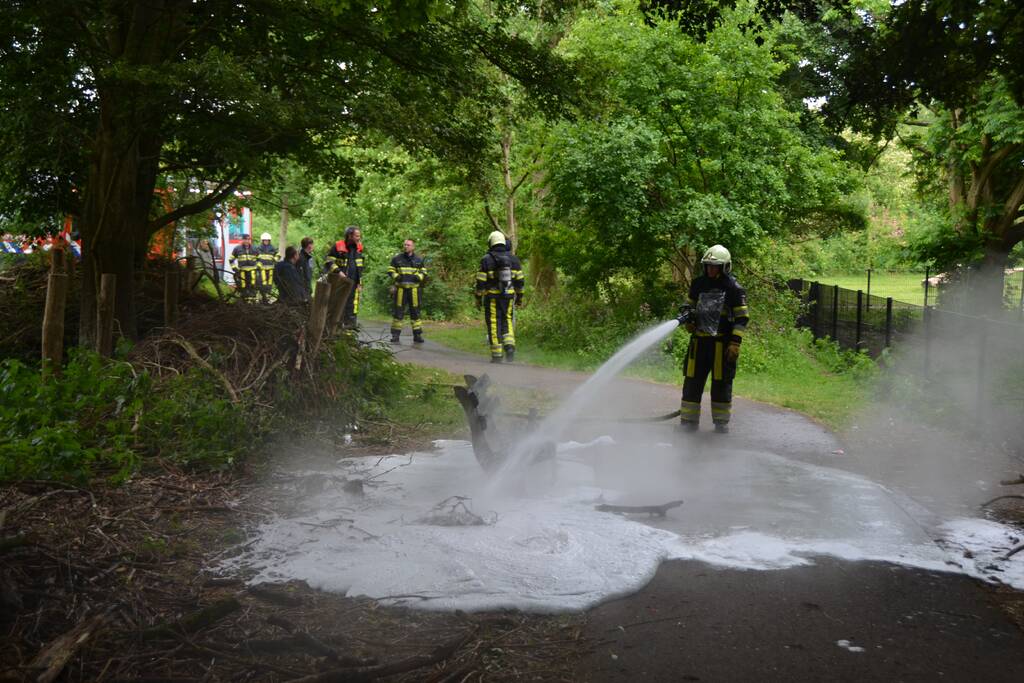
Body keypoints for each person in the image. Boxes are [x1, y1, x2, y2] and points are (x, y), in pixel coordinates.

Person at [679, 244, 749, 434]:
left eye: (715, 266)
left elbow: (742, 318)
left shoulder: (734, 288)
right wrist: (688, 320)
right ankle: (688, 420)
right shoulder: (698, 284)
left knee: (721, 383)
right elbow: (689, 307)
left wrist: (735, 343)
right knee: (692, 382)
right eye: (708, 265)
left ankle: (720, 422)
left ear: (725, 267)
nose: (710, 269)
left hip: (721, 345)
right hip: (699, 343)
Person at [475, 230, 525, 362]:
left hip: (492, 297)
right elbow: (520, 280)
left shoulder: (487, 259)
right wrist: (519, 298)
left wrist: (478, 298)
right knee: (507, 320)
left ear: (491, 242)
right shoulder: (514, 259)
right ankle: (509, 347)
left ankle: (497, 355)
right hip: (508, 295)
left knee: (493, 322)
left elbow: (481, 281)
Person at [387, 238, 427, 344]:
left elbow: (424, 271)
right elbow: (390, 270)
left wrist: (419, 277)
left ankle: (417, 335)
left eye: (408, 245)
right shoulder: (397, 259)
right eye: (405, 245)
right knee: (398, 312)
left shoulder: (419, 259)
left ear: (413, 247)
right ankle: (395, 335)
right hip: (400, 290)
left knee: (415, 312)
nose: (406, 246)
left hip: (414, 290)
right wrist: (397, 277)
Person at [324, 226, 365, 327]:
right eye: (356, 236)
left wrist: (360, 282)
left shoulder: (359, 248)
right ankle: (335, 329)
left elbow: (360, 267)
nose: (358, 238)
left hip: (354, 283)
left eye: (359, 236)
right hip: (340, 282)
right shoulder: (338, 246)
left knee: (352, 306)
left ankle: (350, 330)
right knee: (339, 305)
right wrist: (338, 272)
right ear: (349, 235)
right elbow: (329, 262)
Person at [229, 233, 259, 302]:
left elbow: (260, 259)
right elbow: (231, 259)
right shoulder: (237, 248)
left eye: (248, 239)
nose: (247, 241)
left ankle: (253, 301)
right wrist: (234, 268)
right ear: (243, 240)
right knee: (243, 285)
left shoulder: (255, 248)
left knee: (253, 285)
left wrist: (258, 267)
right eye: (245, 239)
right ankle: (244, 301)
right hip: (242, 271)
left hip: (252, 271)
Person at [255, 232, 278, 302]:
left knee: (269, 283)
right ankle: (262, 297)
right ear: (262, 240)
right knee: (262, 283)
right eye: (265, 240)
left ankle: (267, 297)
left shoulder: (273, 248)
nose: (266, 241)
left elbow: (278, 255)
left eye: (267, 240)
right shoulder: (258, 248)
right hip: (262, 269)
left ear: (269, 241)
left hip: (271, 269)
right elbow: (255, 258)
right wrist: (258, 264)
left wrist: (275, 259)